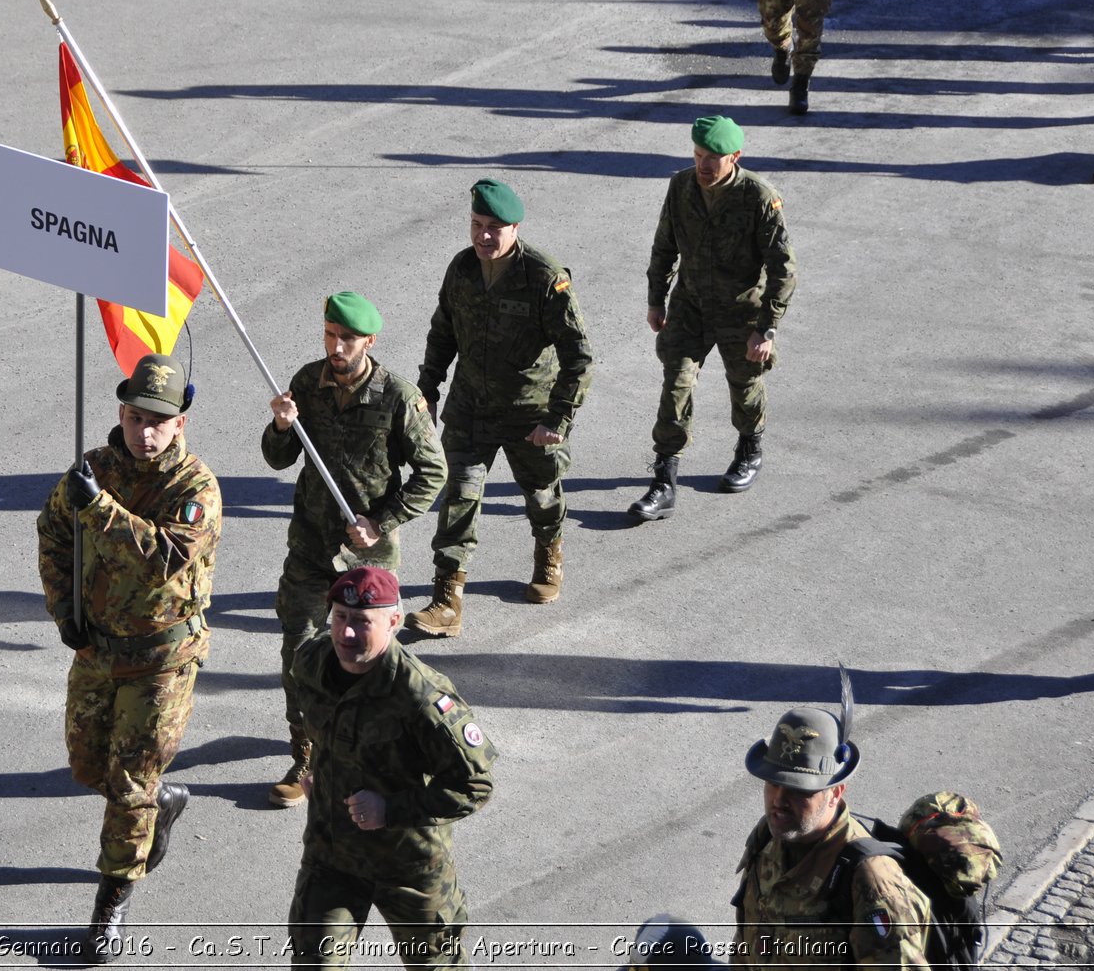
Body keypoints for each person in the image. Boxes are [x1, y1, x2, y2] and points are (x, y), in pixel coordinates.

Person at [35, 353, 221, 963]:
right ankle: (160, 807)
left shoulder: (195, 488)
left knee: (128, 783)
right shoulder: (94, 468)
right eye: (137, 417)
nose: (146, 432)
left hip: (162, 657)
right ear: (121, 411)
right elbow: (55, 531)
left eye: (159, 422)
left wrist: (101, 510)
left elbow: (164, 556)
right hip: (97, 647)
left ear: (180, 425)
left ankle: (112, 901)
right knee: (89, 765)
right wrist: (66, 610)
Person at [263, 292, 447, 809]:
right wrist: (280, 426)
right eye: (329, 334)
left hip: (366, 560)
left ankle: (378, 751)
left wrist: (381, 520)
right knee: (297, 654)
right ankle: (305, 755)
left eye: (346, 338)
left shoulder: (396, 397)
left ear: (369, 341)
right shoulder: (307, 383)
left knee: (368, 662)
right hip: (310, 549)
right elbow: (279, 459)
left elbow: (433, 472)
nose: (336, 346)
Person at [409, 178, 593, 637]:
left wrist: (558, 418)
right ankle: (446, 600)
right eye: (476, 225)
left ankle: (549, 551)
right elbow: (442, 333)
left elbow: (579, 357)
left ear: (514, 228)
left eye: (494, 227)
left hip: (530, 414)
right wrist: (427, 389)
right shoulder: (461, 269)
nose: (483, 236)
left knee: (541, 494)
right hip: (470, 408)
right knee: (458, 498)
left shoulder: (544, 277)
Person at [288, 567, 496, 968]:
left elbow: (476, 785)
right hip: (332, 855)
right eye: (340, 618)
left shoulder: (421, 696)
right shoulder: (312, 662)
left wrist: (390, 809)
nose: (346, 634)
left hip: (408, 867)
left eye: (363, 622)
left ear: (394, 622)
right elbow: (323, 726)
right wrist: (321, 771)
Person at [629, 117, 796, 523]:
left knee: (744, 384)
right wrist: (656, 301)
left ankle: (749, 447)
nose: (703, 165)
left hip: (742, 309)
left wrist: (766, 328)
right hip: (691, 306)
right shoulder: (681, 185)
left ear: (734, 158)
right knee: (677, 383)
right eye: (698, 155)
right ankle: (664, 480)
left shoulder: (759, 198)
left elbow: (783, 269)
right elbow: (664, 245)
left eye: (713, 158)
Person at [731, 700, 932, 968]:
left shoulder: (872, 881)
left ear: (835, 793)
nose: (779, 800)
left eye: (800, 790)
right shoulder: (768, 836)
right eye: (773, 783)